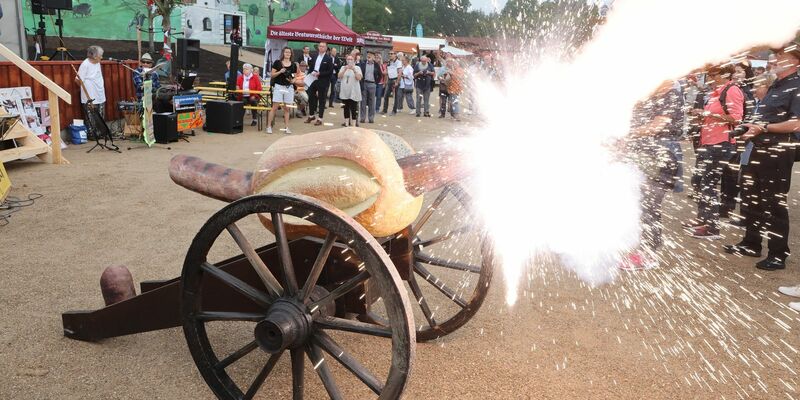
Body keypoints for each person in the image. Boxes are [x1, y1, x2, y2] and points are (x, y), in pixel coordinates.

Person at [724, 42, 800, 271]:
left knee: (774, 202)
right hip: (758, 149)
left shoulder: (797, 86)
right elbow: (766, 118)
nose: (773, 60)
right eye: (774, 55)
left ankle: (778, 254)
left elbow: (796, 123)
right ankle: (751, 243)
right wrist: (750, 127)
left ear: (796, 61)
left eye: (779, 56)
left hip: (778, 152)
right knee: (752, 198)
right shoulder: (775, 85)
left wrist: (764, 128)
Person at [619, 81, 684, 270]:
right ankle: (645, 248)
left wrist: (626, 133)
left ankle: (648, 254)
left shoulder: (670, 94)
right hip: (647, 155)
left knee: (649, 205)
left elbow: (656, 126)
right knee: (642, 203)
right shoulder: (653, 95)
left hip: (661, 156)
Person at [685, 65, 742, 239]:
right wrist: (700, 115)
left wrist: (707, 113)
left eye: (713, 74)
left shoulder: (732, 90)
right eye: (708, 74)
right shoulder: (716, 92)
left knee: (708, 184)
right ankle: (703, 220)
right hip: (709, 143)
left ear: (725, 74)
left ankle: (712, 227)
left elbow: (736, 118)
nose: (710, 77)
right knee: (702, 183)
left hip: (721, 143)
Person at [266, 47, 296, 134]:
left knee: (287, 109)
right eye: (286, 52)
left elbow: (294, 76)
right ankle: (268, 126)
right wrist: (280, 71)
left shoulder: (293, 64)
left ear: (291, 54)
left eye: (289, 52)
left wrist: (293, 81)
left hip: (288, 87)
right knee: (274, 107)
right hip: (278, 86)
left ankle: (287, 127)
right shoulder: (277, 62)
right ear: (283, 53)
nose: (287, 54)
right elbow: (272, 75)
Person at [305, 42, 333, 126]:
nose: (321, 48)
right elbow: (311, 67)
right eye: (320, 46)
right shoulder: (314, 56)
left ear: (326, 48)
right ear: (318, 47)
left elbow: (330, 72)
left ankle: (320, 118)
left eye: (323, 46)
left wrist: (320, 74)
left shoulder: (328, 58)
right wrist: (308, 76)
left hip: (322, 81)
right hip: (313, 80)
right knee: (311, 98)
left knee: (321, 99)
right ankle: (311, 115)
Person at [77, 45, 107, 120]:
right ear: (95, 56)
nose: (102, 57)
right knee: (92, 122)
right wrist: (85, 90)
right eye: (100, 56)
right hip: (89, 98)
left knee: (101, 120)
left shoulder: (97, 63)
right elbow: (77, 80)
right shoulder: (85, 64)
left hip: (100, 95)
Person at [338, 54, 362, 127]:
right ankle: (346, 123)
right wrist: (345, 69)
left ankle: (354, 124)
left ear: (354, 60)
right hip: (345, 90)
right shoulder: (343, 67)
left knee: (354, 108)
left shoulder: (357, 68)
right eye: (348, 59)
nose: (349, 60)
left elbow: (359, 78)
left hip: (354, 91)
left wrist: (353, 69)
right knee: (346, 107)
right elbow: (339, 76)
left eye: (351, 59)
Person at [358, 51, 382, 124]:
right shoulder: (363, 63)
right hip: (364, 83)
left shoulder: (376, 65)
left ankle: (371, 118)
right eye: (368, 55)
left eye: (370, 56)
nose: (368, 57)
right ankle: (362, 118)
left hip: (372, 84)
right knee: (363, 101)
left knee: (372, 102)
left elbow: (380, 75)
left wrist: (376, 82)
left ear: (373, 57)